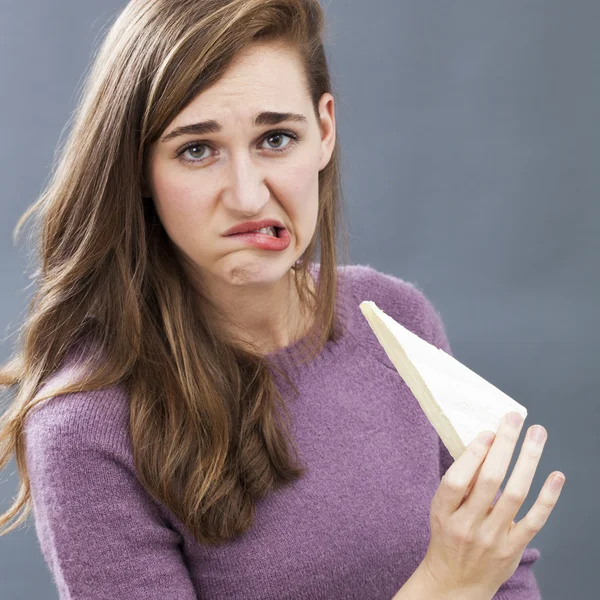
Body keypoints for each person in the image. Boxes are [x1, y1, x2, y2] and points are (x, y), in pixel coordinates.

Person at [0, 1, 558, 599]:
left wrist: (474, 573)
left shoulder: (396, 318)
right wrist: (446, 585)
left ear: (324, 131)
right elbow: (466, 578)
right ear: (137, 167)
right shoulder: (86, 426)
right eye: (197, 149)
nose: (246, 195)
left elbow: (503, 580)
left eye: (276, 138)